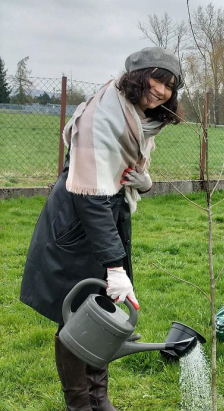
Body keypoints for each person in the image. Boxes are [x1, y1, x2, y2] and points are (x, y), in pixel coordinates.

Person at [20, 47, 183, 411]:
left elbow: (121, 175)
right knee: (76, 314)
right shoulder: (103, 114)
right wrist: (115, 266)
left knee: (102, 311)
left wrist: (145, 182)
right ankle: (79, 405)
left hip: (108, 217)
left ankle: (98, 396)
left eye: (169, 86)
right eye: (156, 79)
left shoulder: (137, 117)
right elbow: (91, 195)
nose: (160, 90)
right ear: (137, 75)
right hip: (78, 222)